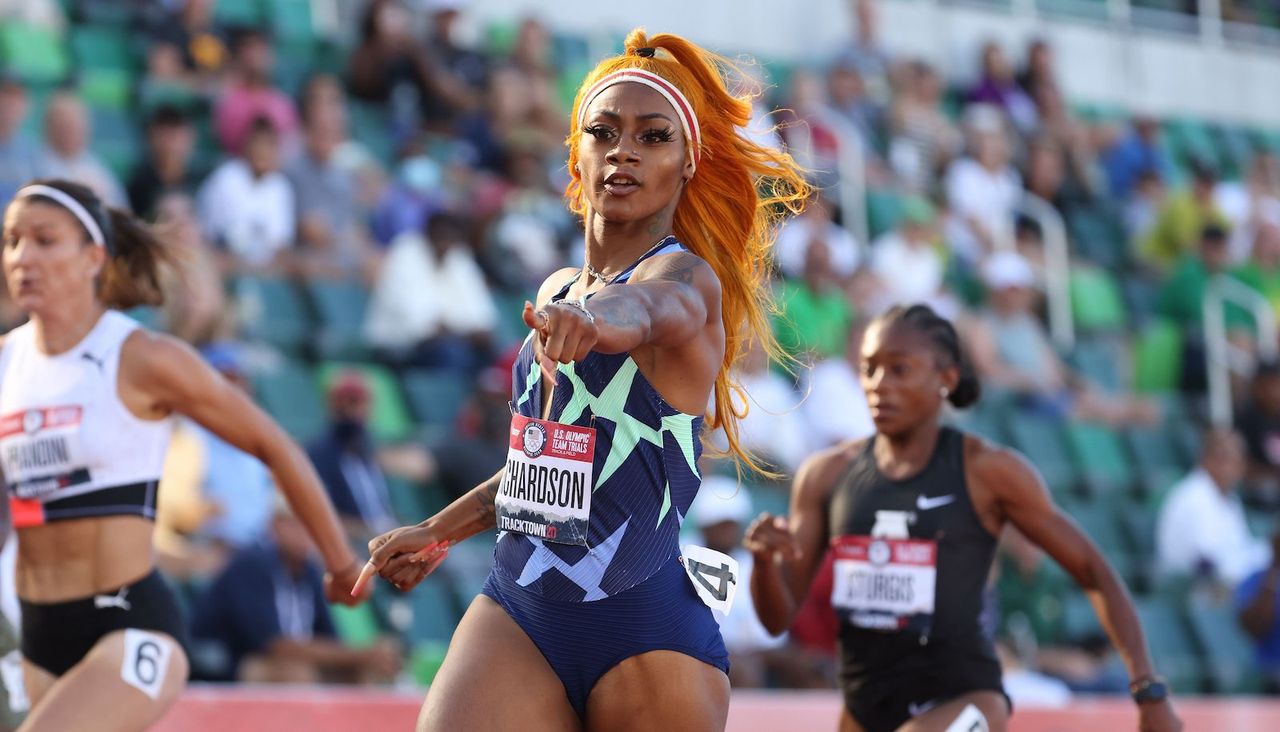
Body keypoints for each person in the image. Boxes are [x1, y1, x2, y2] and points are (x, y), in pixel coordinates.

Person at [357, 30, 810, 731]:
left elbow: (654, 307)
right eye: (604, 131)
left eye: (653, 137)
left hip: (645, 632)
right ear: (577, 153)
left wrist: (599, 322)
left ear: (688, 164)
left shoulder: (686, 278)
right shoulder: (558, 287)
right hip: (521, 606)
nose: (624, 150)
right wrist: (437, 530)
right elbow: (542, 468)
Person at [0, 178, 366, 730]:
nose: (22, 257)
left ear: (93, 257)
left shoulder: (141, 356)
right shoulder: (7, 362)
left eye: (45, 240)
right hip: (35, 631)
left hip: (128, 624)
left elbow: (274, 444)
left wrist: (340, 564)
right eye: (11, 241)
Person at [744, 304, 1182, 732]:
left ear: (945, 379)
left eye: (900, 370)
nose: (879, 384)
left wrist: (1148, 690)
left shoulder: (988, 471)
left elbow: (1093, 570)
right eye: (870, 368)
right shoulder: (826, 475)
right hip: (865, 708)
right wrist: (764, 564)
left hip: (962, 697)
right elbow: (776, 619)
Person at [189, 501, 401, 684]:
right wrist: (361, 654)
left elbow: (327, 638)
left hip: (285, 661)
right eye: (299, 522)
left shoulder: (308, 571)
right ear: (276, 524)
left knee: (359, 673)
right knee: (296, 674)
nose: (308, 532)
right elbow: (276, 646)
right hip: (227, 663)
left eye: (314, 524)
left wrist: (363, 659)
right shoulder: (252, 564)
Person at [1155, 429, 1270, 588]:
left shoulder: (1229, 498)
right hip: (1190, 592)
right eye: (1229, 459)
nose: (1237, 468)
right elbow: (1206, 564)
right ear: (1209, 459)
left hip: (1224, 587)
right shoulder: (1193, 496)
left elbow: (1242, 549)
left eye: (1239, 461)